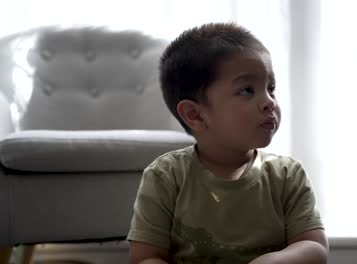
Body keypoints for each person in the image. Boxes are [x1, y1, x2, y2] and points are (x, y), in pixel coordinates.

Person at [127, 22, 328, 264]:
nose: (269, 102)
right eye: (247, 90)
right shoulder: (165, 177)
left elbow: (315, 247)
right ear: (195, 115)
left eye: (270, 88)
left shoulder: (287, 175)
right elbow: (145, 258)